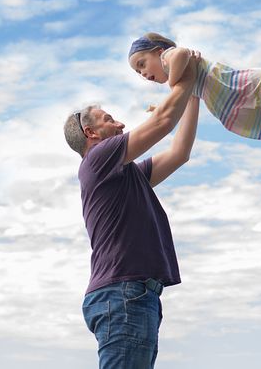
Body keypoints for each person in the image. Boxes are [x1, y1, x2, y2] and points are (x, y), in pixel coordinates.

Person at [63, 53, 201, 368]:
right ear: (91, 134)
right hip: (123, 293)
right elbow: (164, 120)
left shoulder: (126, 174)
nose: (121, 123)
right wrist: (189, 74)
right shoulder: (98, 158)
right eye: (109, 119)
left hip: (133, 294)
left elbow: (179, 153)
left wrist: (192, 94)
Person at [128, 32, 261, 141]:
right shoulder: (181, 80)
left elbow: (180, 53)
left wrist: (172, 81)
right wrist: (162, 107)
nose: (143, 74)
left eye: (142, 64)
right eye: (138, 73)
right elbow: (180, 109)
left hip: (251, 88)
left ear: (158, 51)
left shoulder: (168, 57)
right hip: (244, 106)